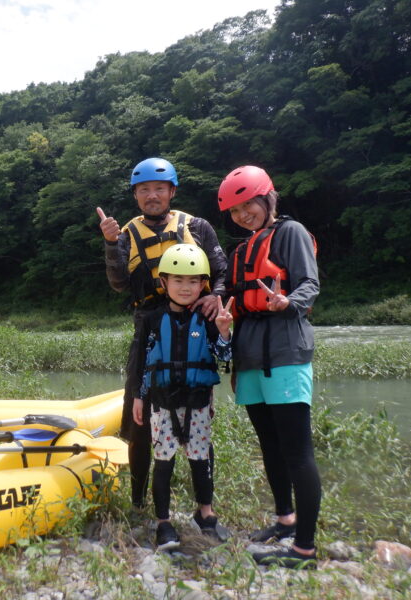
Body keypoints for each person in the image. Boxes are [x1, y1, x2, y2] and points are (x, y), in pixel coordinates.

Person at [96, 157, 227, 509]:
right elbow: (119, 283)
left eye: (158, 189)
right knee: (139, 422)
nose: (151, 196)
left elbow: (221, 271)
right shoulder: (124, 234)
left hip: (195, 324)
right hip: (149, 326)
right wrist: (111, 244)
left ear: (171, 191)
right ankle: (139, 501)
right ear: (136, 196)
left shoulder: (198, 226)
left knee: (197, 409)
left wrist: (215, 296)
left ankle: (204, 504)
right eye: (144, 191)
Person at [216, 165, 321, 569]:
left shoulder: (290, 232)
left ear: (268, 198)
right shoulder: (242, 250)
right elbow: (231, 294)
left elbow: (309, 283)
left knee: (297, 452)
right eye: (236, 211)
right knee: (270, 446)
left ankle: (304, 550)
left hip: (286, 352)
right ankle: (285, 520)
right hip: (249, 356)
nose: (243, 215)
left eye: (249, 205)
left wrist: (287, 301)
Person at [130, 243, 233, 550]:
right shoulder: (150, 319)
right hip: (162, 404)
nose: (186, 287)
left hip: (198, 402)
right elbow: (141, 360)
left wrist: (225, 332)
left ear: (203, 284)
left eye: (193, 281)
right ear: (164, 283)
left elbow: (224, 358)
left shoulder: (209, 318)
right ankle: (163, 523)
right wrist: (138, 396)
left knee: (201, 460)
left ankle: (206, 514)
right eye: (178, 280)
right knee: (163, 462)